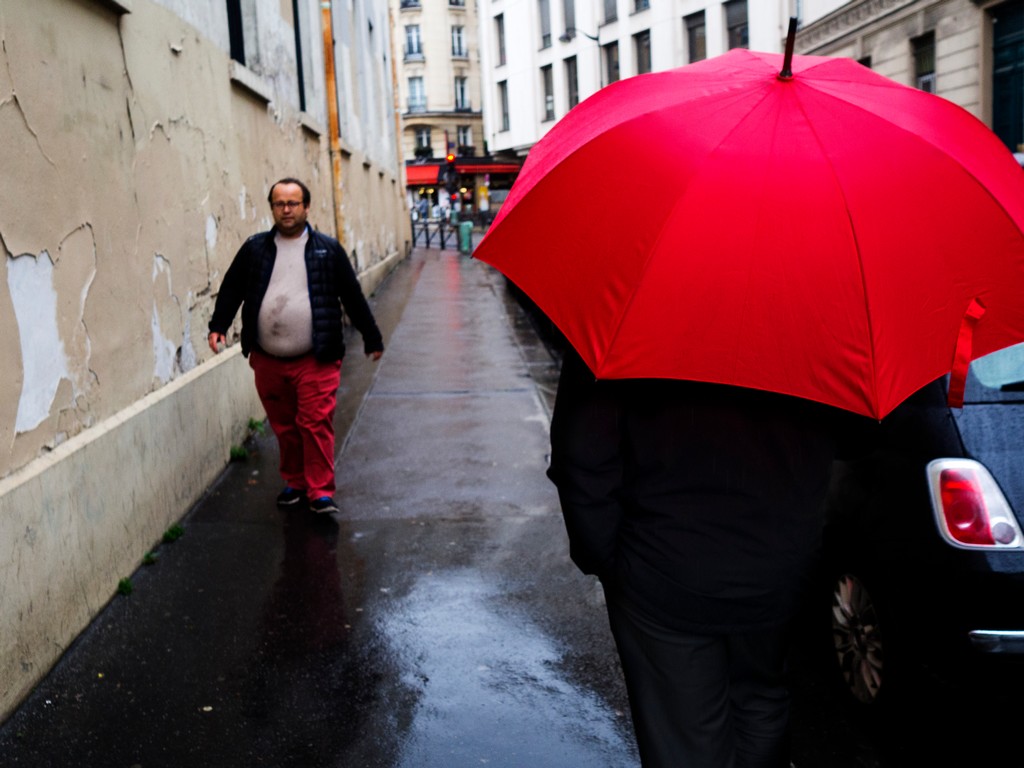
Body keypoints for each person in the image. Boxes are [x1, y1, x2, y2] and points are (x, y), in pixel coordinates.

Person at [547, 347, 867, 768]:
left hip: (663, 567)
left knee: (686, 737)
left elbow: (582, 455)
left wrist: (606, 559)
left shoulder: (623, 326)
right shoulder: (823, 327)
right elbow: (856, 436)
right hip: (777, 561)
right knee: (761, 700)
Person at [208, 178, 384, 515]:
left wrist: (371, 337)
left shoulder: (327, 250)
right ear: (272, 208)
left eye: (293, 203)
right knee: (285, 425)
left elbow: (352, 295)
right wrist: (218, 325)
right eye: (279, 203)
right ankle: (296, 482)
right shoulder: (254, 249)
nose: (286, 209)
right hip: (268, 359)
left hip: (316, 357)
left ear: (306, 207)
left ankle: (320, 491)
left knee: (315, 423)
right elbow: (232, 288)